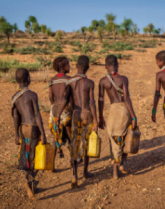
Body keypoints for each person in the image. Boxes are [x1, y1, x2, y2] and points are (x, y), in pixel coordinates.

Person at [56, 55, 98, 188]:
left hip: (75, 115)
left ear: (76, 66)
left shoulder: (70, 82)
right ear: (88, 68)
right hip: (87, 114)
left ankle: (74, 175)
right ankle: (85, 172)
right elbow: (92, 102)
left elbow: (64, 100)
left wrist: (58, 115)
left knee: (75, 143)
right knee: (85, 144)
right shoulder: (90, 83)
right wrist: (96, 120)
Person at [98, 55, 138, 179]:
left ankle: (115, 171)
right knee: (126, 135)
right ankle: (123, 164)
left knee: (114, 139)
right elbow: (126, 98)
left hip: (112, 111)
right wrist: (133, 116)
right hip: (123, 110)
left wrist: (100, 117)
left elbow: (100, 100)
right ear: (118, 64)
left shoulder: (103, 81)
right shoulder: (123, 79)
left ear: (105, 66)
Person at [11, 68, 48, 199]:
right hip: (33, 128)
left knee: (27, 157)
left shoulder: (14, 97)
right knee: (37, 157)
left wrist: (16, 134)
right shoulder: (32, 95)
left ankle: (32, 184)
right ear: (28, 79)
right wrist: (43, 133)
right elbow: (37, 115)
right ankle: (28, 183)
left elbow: (16, 117)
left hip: (23, 129)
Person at [48, 57, 73, 163]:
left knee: (56, 134)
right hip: (65, 110)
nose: (70, 66)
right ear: (63, 67)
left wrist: (54, 106)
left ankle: (51, 165)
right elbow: (68, 98)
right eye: (68, 64)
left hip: (54, 109)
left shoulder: (52, 80)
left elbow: (50, 96)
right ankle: (74, 161)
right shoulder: (69, 79)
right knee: (70, 135)